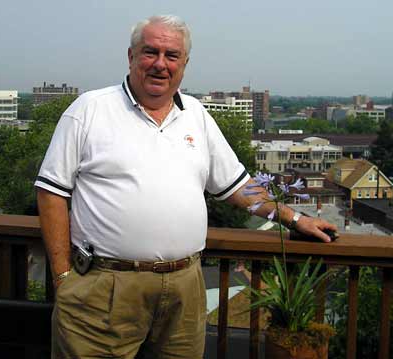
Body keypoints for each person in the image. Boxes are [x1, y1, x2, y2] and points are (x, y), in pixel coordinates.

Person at [35, 14, 337, 359]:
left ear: (184, 64)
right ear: (131, 56)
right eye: (150, 52)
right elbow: (51, 191)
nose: (160, 64)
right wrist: (62, 277)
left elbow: (238, 186)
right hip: (106, 289)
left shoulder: (196, 114)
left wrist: (295, 220)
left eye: (171, 55)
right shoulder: (89, 110)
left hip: (185, 289)